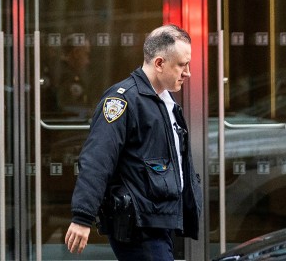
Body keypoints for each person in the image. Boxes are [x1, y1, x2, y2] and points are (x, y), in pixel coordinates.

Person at [64, 24, 201, 261]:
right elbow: (97, 159)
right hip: (140, 224)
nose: (187, 72)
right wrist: (83, 216)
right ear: (159, 63)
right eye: (181, 64)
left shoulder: (166, 102)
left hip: (161, 219)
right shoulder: (122, 100)